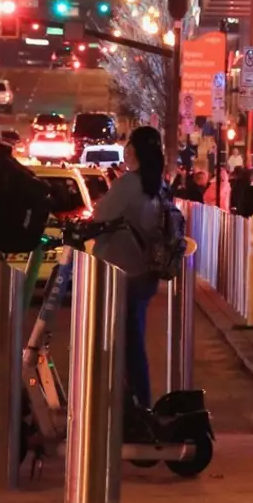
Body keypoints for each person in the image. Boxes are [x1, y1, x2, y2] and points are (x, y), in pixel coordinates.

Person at [88, 127, 175, 414]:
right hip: (146, 273)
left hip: (121, 274)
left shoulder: (128, 185)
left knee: (124, 344)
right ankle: (133, 402)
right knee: (131, 339)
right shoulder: (160, 185)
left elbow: (99, 217)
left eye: (128, 146)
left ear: (134, 151)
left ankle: (137, 406)